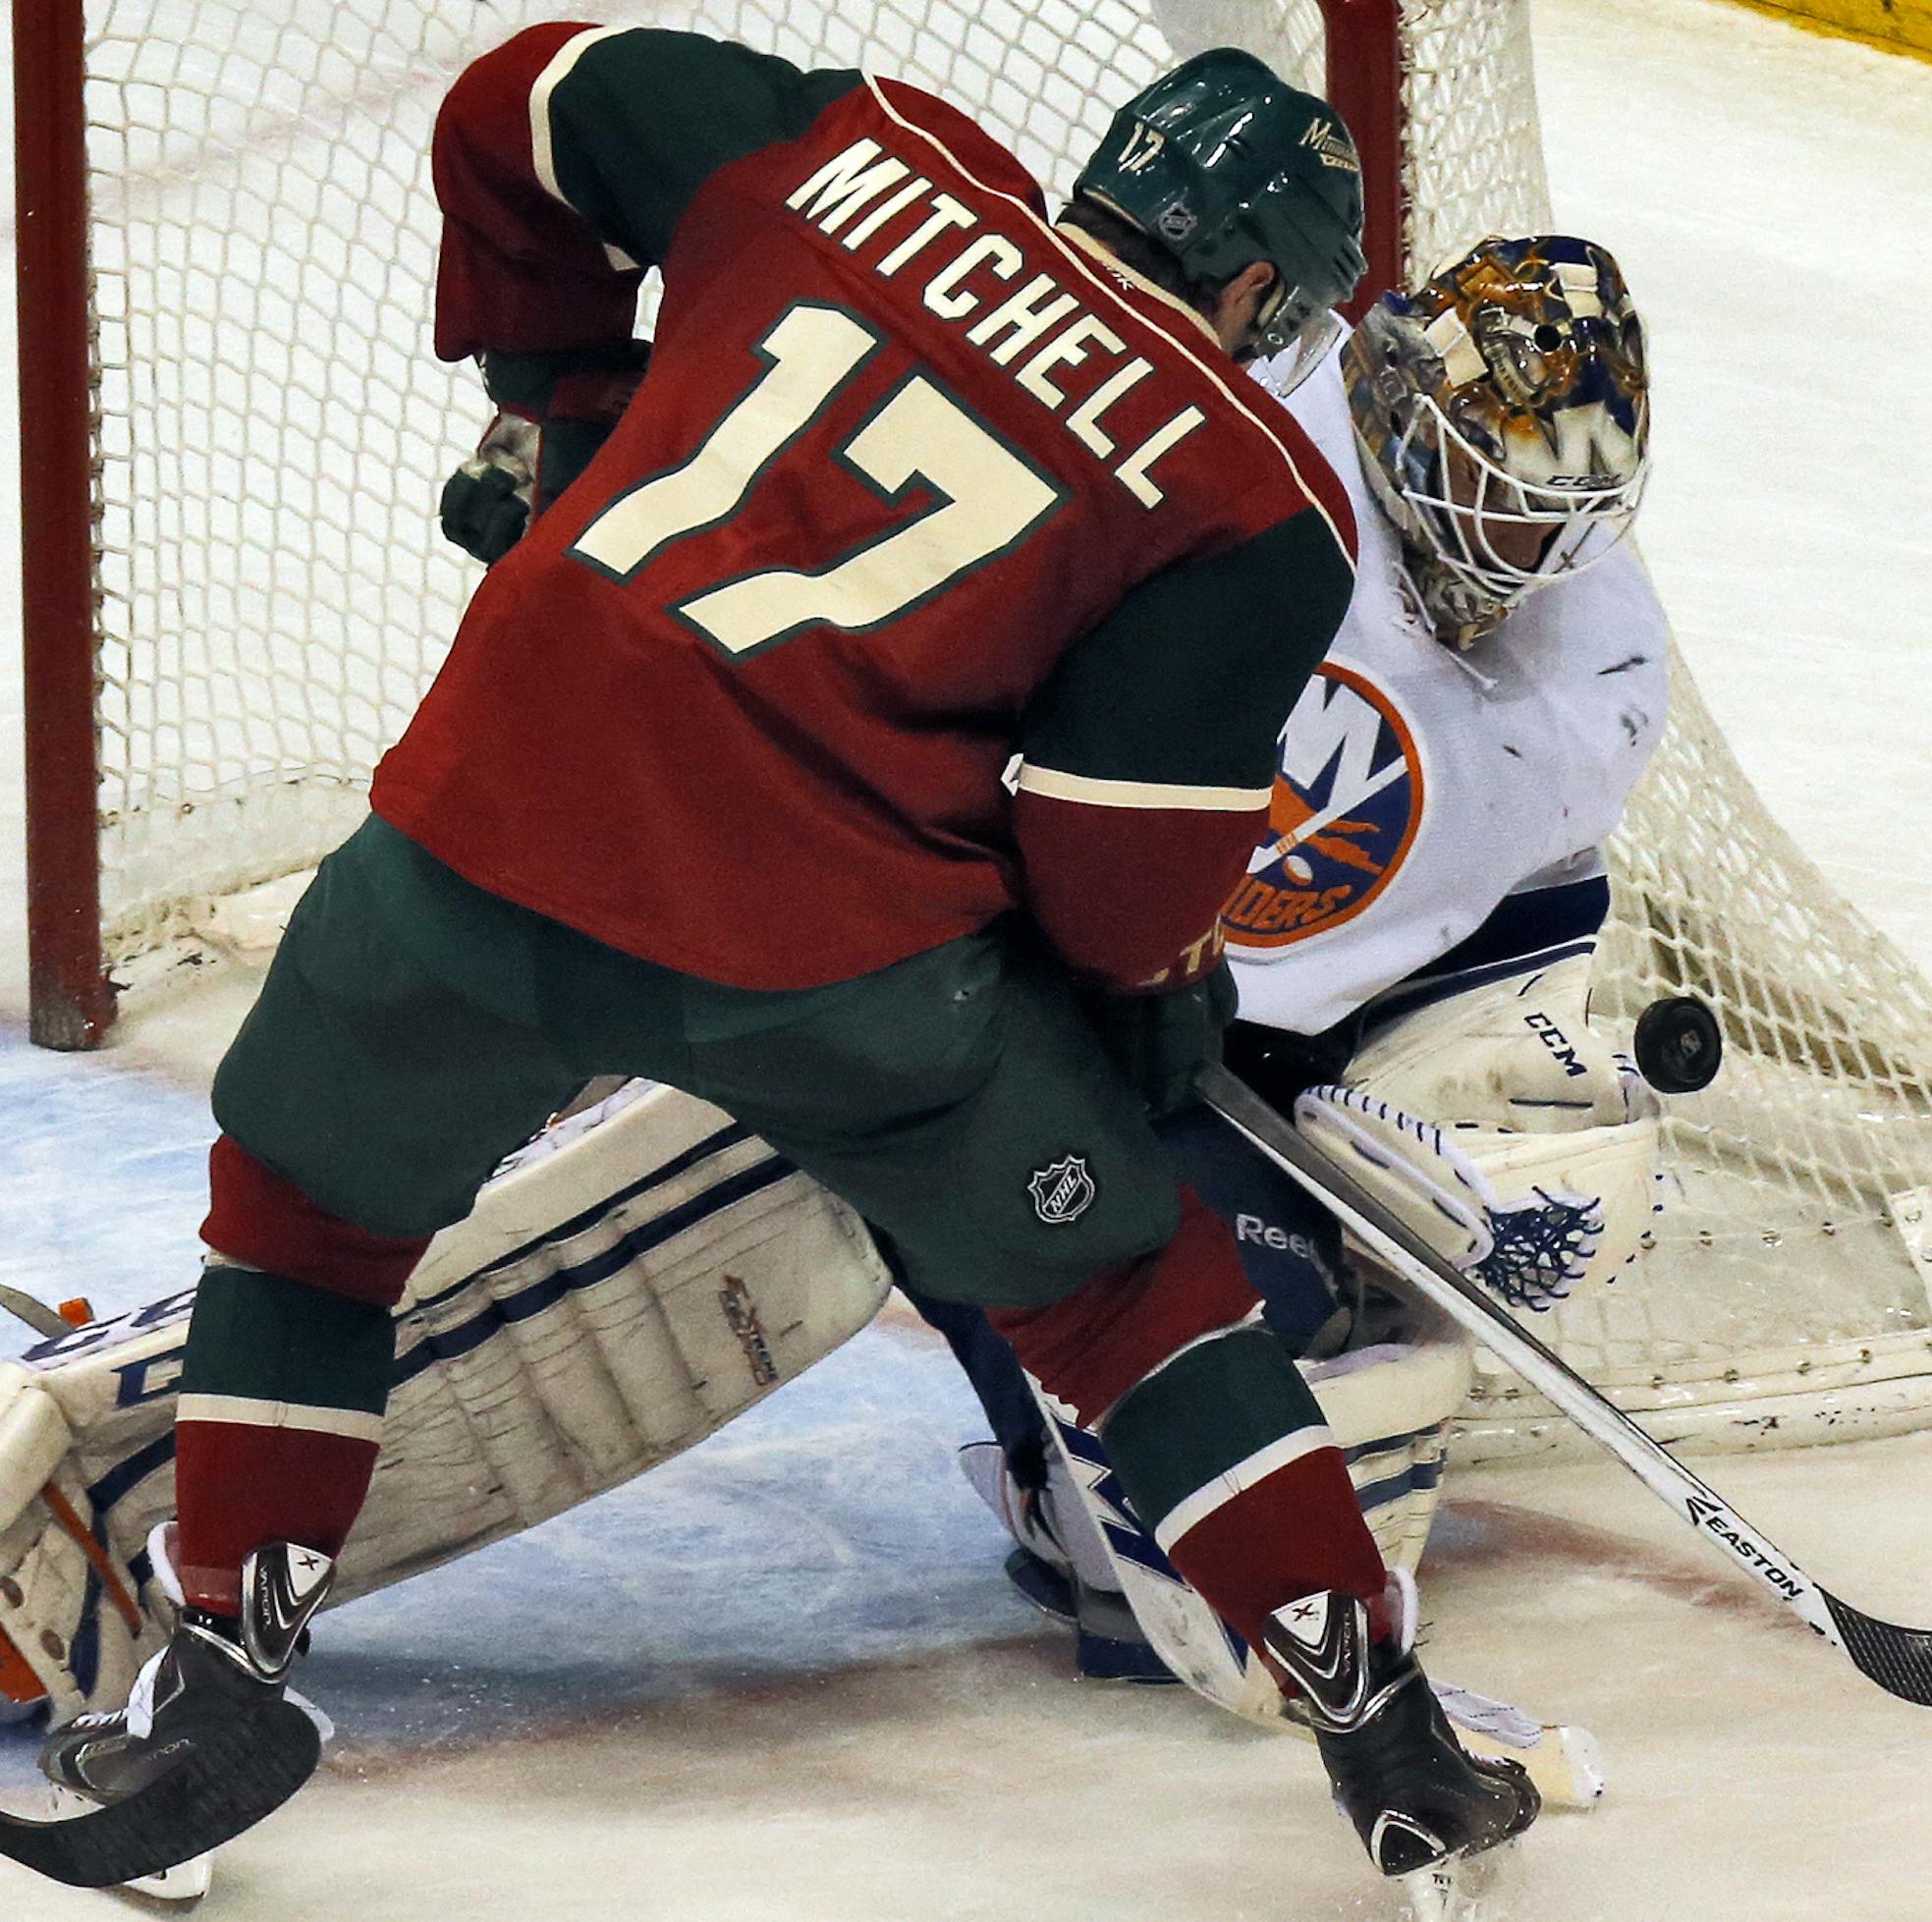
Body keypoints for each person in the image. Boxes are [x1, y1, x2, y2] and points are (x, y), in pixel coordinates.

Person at [28, 24, 1538, 1887]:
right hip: (836, 966)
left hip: (485, 832)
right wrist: (1150, 1005)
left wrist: (568, 403)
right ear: (1249, 283)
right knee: (1129, 1298)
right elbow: (1111, 866)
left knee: (309, 1221)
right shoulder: (1247, 500)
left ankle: (220, 1677)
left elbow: (528, 97)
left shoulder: (857, 143)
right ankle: (1382, 1735)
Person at [939, 235, 1667, 1729]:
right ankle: (1027, 1445)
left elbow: (1518, 931)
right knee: (969, 1176)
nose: (1525, 554)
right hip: (1039, 980)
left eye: (1557, 521)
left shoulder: (1602, 669)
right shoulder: (1230, 445)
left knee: (1218, 1458)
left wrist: (1474, 1115)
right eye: (1500, 499)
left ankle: (1087, 1469)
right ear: (1401, 416)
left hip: (1253, 1063)